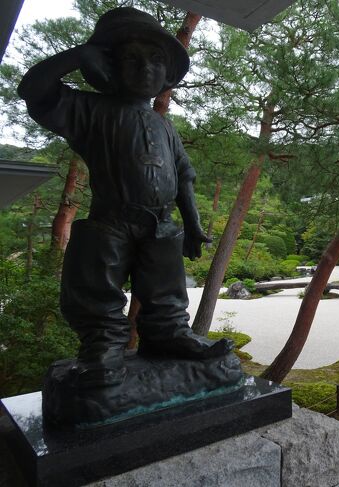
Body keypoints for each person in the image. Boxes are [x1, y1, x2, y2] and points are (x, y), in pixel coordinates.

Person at [17, 7, 232, 389]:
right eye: (132, 59)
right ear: (109, 66)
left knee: (167, 292)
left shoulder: (165, 126)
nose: (146, 68)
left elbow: (183, 176)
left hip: (161, 225)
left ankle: (168, 334)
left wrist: (194, 225)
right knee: (97, 288)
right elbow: (34, 90)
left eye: (156, 60)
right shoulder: (89, 109)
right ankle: (102, 350)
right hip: (110, 219)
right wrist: (80, 55)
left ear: (167, 74)